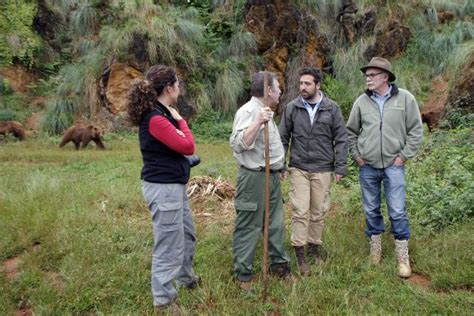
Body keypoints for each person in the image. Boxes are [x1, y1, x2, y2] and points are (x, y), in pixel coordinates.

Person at [127, 64, 200, 312]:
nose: (180, 88)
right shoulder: (157, 118)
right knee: (168, 244)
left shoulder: (162, 111)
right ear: (169, 87)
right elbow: (188, 146)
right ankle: (164, 300)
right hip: (163, 189)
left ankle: (185, 277)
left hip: (173, 187)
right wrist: (182, 121)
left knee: (187, 234)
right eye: (177, 84)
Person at [346, 57, 423, 278]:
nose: (368, 79)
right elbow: (351, 131)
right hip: (367, 165)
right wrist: (357, 156)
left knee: (397, 210)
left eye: (372, 75)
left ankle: (402, 257)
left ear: (385, 77)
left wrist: (404, 156)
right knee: (371, 209)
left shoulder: (405, 99)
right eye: (366, 75)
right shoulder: (361, 102)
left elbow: (416, 131)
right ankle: (375, 249)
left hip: (393, 165)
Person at [279, 67, 348, 276]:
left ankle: (314, 249)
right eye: (301, 83)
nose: (303, 87)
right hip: (299, 167)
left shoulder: (331, 109)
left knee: (318, 211)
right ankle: (299, 253)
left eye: (307, 84)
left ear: (318, 85)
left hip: (323, 168)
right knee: (300, 211)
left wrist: (341, 166)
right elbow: (283, 138)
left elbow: (341, 138)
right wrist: (281, 164)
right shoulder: (292, 108)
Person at [229, 71, 291, 291]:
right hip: (255, 178)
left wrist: (279, 166)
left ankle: (279, 265)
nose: (280, 91)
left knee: (275, 224)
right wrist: (257, 122)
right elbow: (238, 144)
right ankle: (244, 275)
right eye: (277, 87)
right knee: (250, 225)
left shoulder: (265, 111)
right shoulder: (249, 111)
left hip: (271, 177)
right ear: (268, 90)